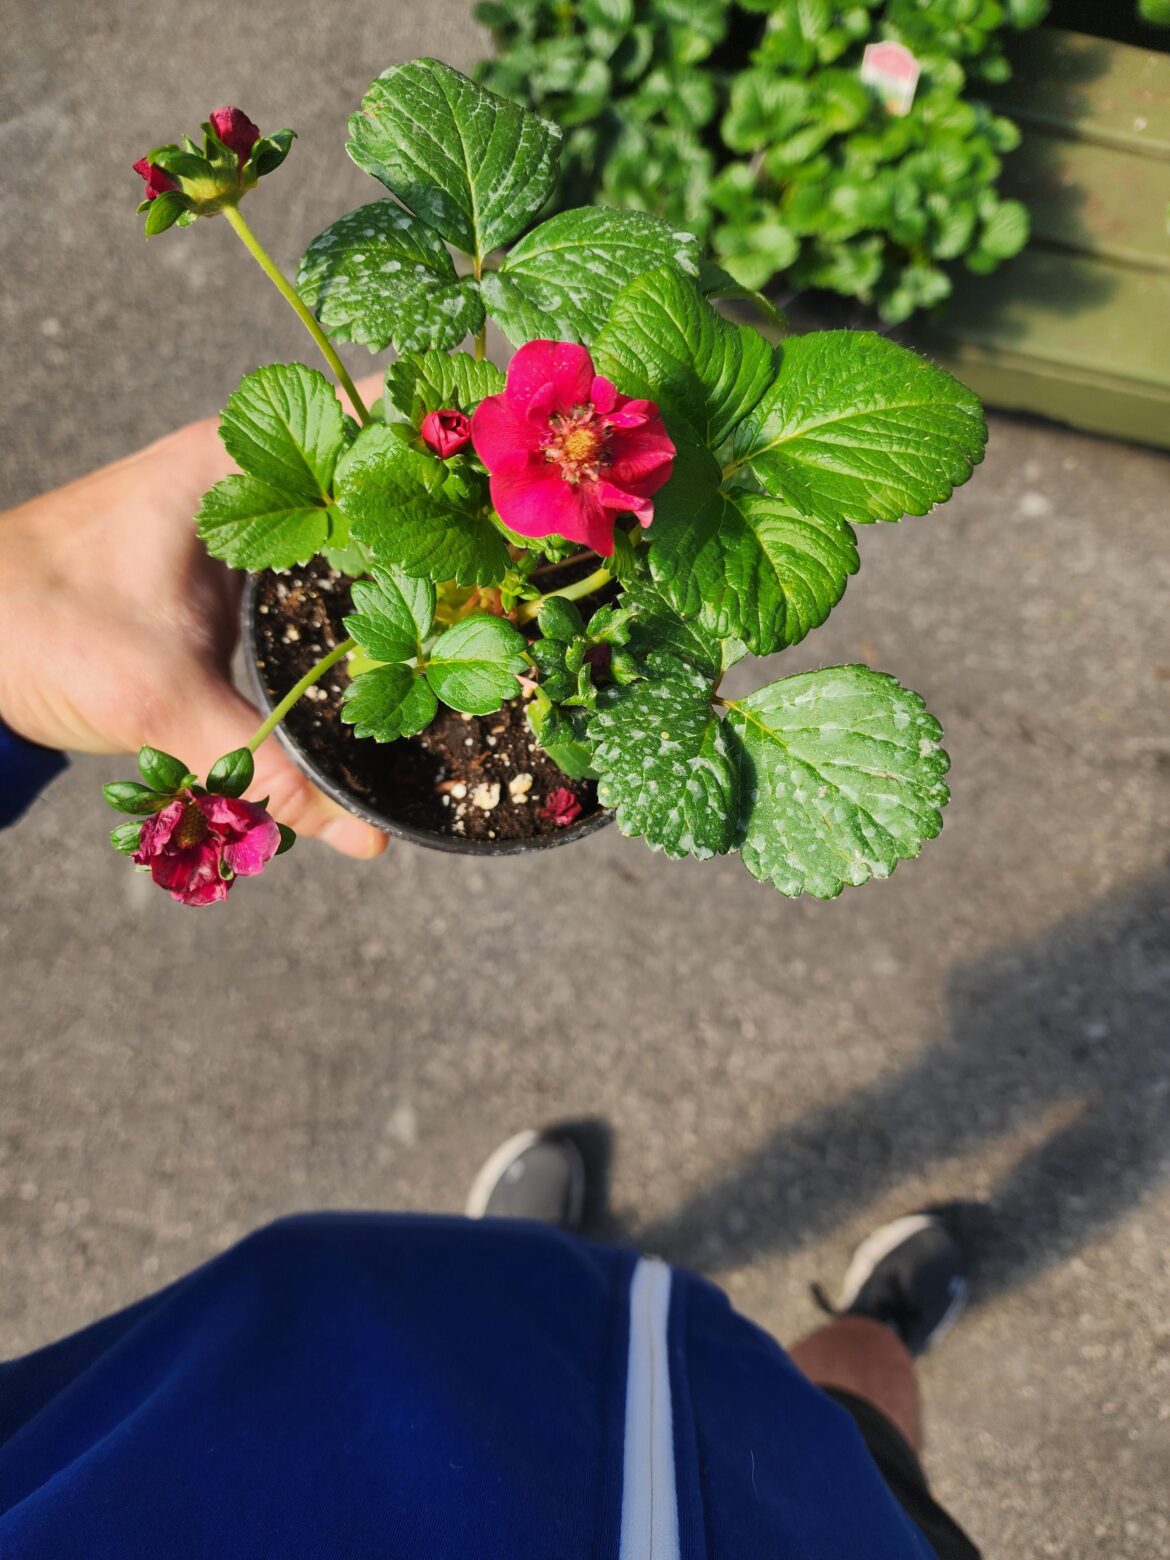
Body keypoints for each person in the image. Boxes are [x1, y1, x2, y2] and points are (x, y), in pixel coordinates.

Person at [1, 435, 980, 1557]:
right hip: (774, 1522)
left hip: (349, 1338)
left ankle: (517, 1271)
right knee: (852, 1417)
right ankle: (868, 1331)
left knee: (485, 1300)